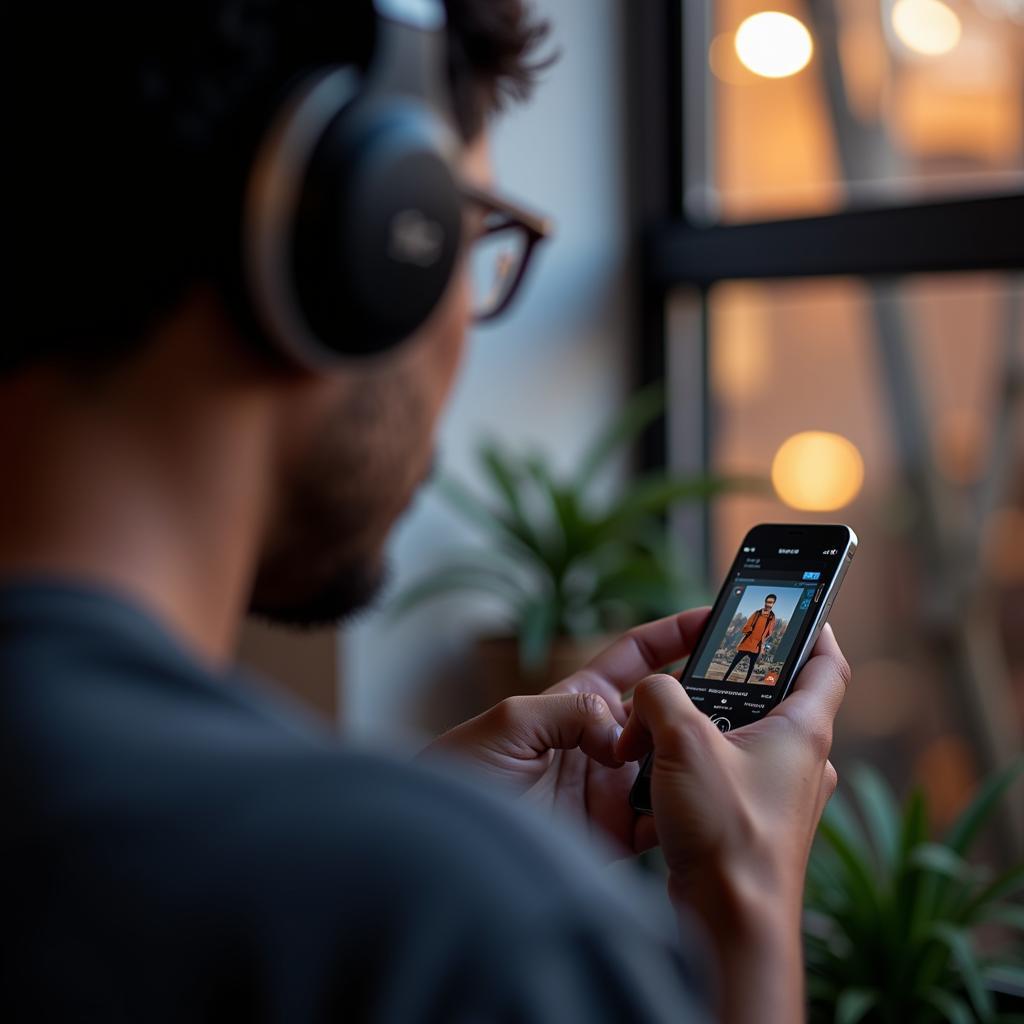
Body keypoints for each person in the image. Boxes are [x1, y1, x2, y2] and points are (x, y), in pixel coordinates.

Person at [2, 2, 851, 1022]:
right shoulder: (460, 933)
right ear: (369, 239)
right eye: (471, 230)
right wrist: (743, 911)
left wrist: (374, 834)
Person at [723, 593, 777, 684]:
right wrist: (750, 630)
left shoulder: (772, 618)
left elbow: (769, 632)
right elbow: (746, 626)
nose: (768, 604)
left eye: (771, 602)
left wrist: (761, 640)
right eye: (767, 602)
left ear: (773, 604)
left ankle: (746, 682)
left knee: (751, 667)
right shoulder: (756, 614)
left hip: (756, 647)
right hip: (747, 643)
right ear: (765, 602)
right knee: (733, 663)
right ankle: (724, 679)